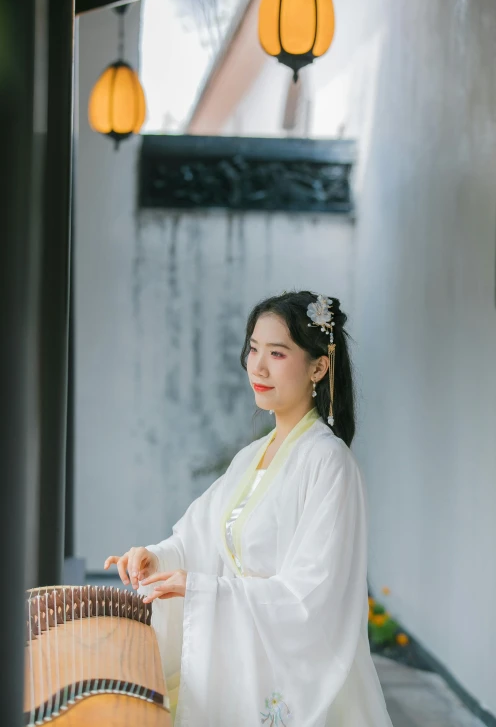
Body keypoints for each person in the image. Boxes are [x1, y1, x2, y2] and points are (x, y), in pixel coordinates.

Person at [105, 290, 394, 727]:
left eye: (277, 353)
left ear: (319, 366)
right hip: (242, 657)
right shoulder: (252, 457)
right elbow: (199, 536)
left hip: (290, 675)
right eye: (253, 349)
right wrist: (157, 556)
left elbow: (314, 595)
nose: (256, 367)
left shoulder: (329, 463)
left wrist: (201, 590)